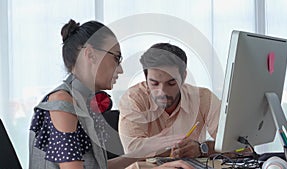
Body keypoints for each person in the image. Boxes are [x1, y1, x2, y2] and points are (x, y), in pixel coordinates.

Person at [28, 19, 194, 169]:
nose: (120, 69)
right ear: (90, 54)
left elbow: (98, 167)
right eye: (116, 58)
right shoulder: (62, 105)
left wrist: (144, 149)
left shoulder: (79, 101)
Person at [118, 43, 221, 159]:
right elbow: (133, 151)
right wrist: (179, 152)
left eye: (171, 83)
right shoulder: (133, 99)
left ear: (183, 77)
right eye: (154, 83)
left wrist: (202, 148)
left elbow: (235, 145)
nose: (162, 92)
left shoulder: (204, 98)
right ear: (146, 79)